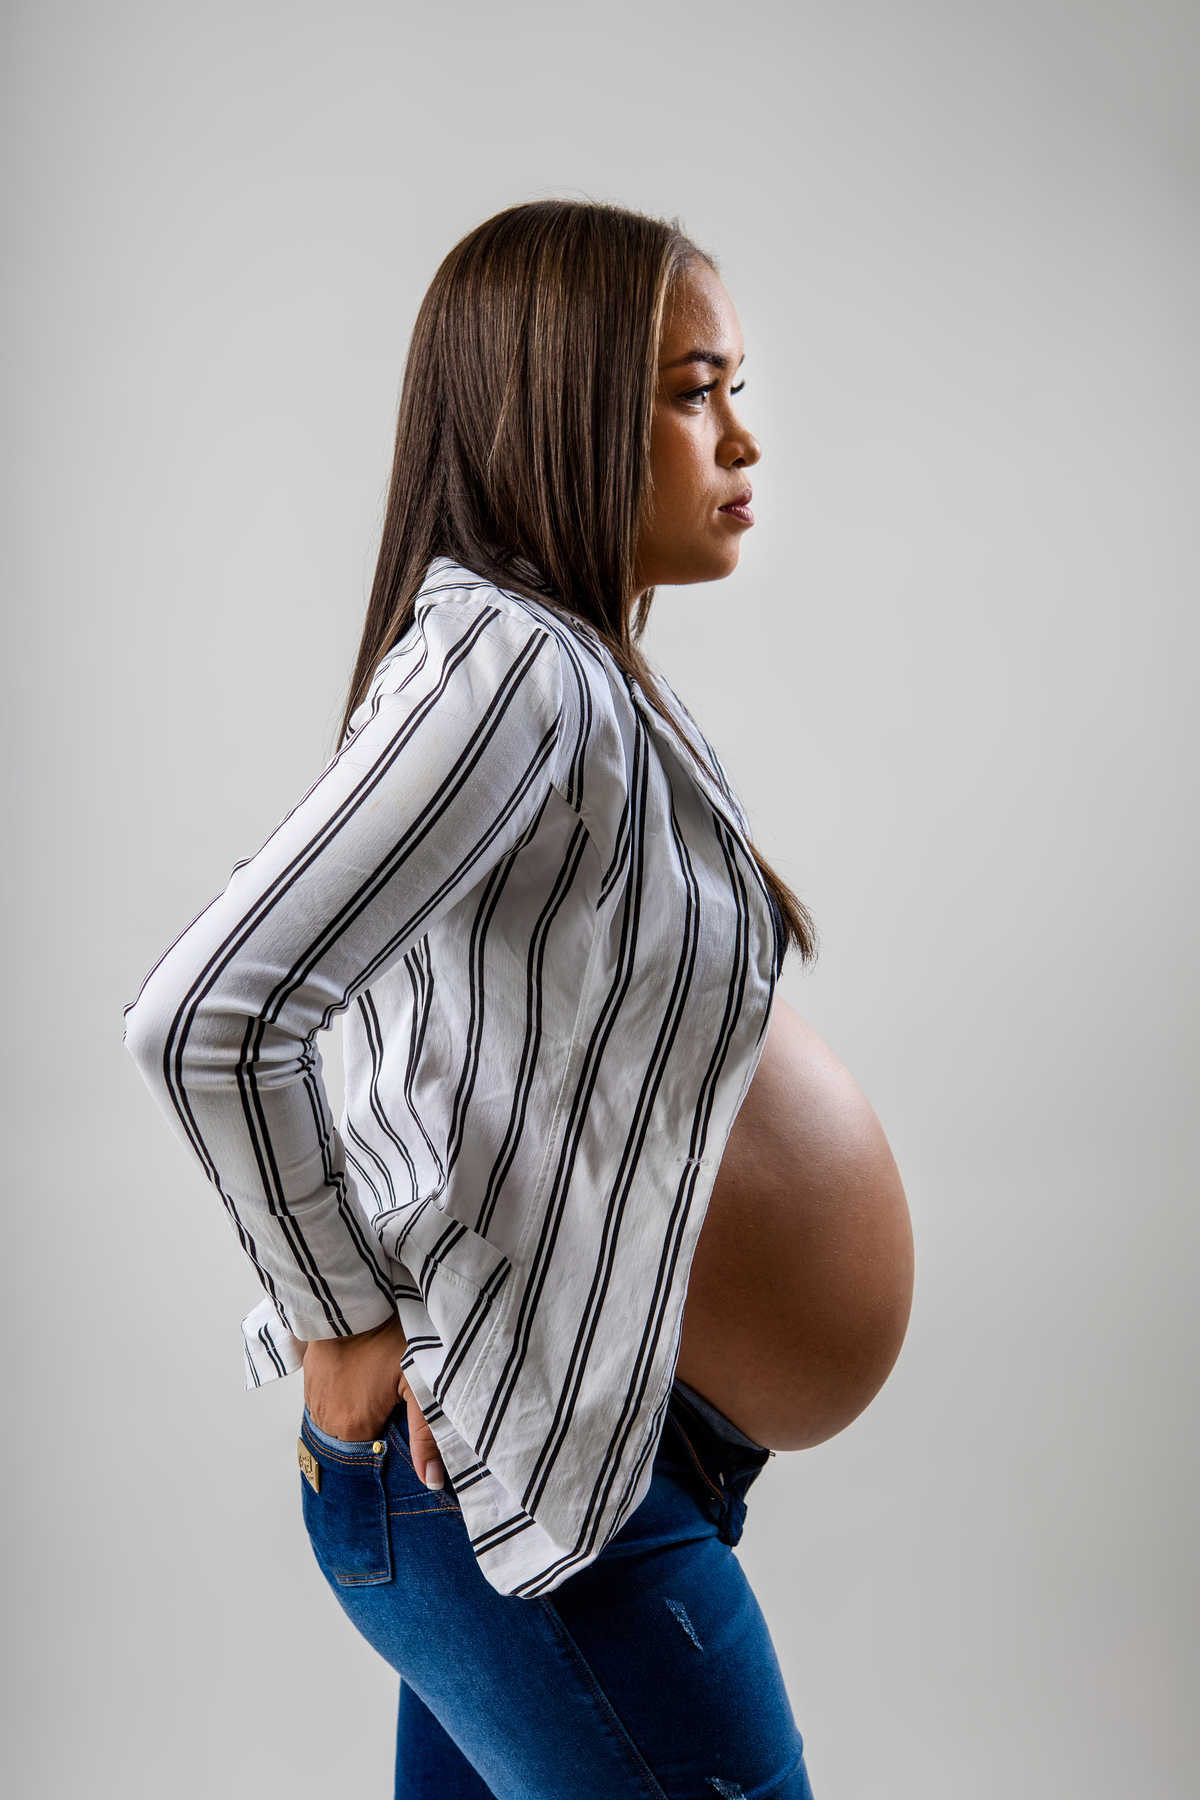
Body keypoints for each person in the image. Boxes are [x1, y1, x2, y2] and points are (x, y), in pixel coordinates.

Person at [125, 200, 914, 1800]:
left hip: (585, 1461)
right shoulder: (511, 671)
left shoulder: (576, 671)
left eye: (734, 386)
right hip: (515, 1494)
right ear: (555, 409)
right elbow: (206, 1011)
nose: (741, 437)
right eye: (693, 392)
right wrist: (343, 1314)